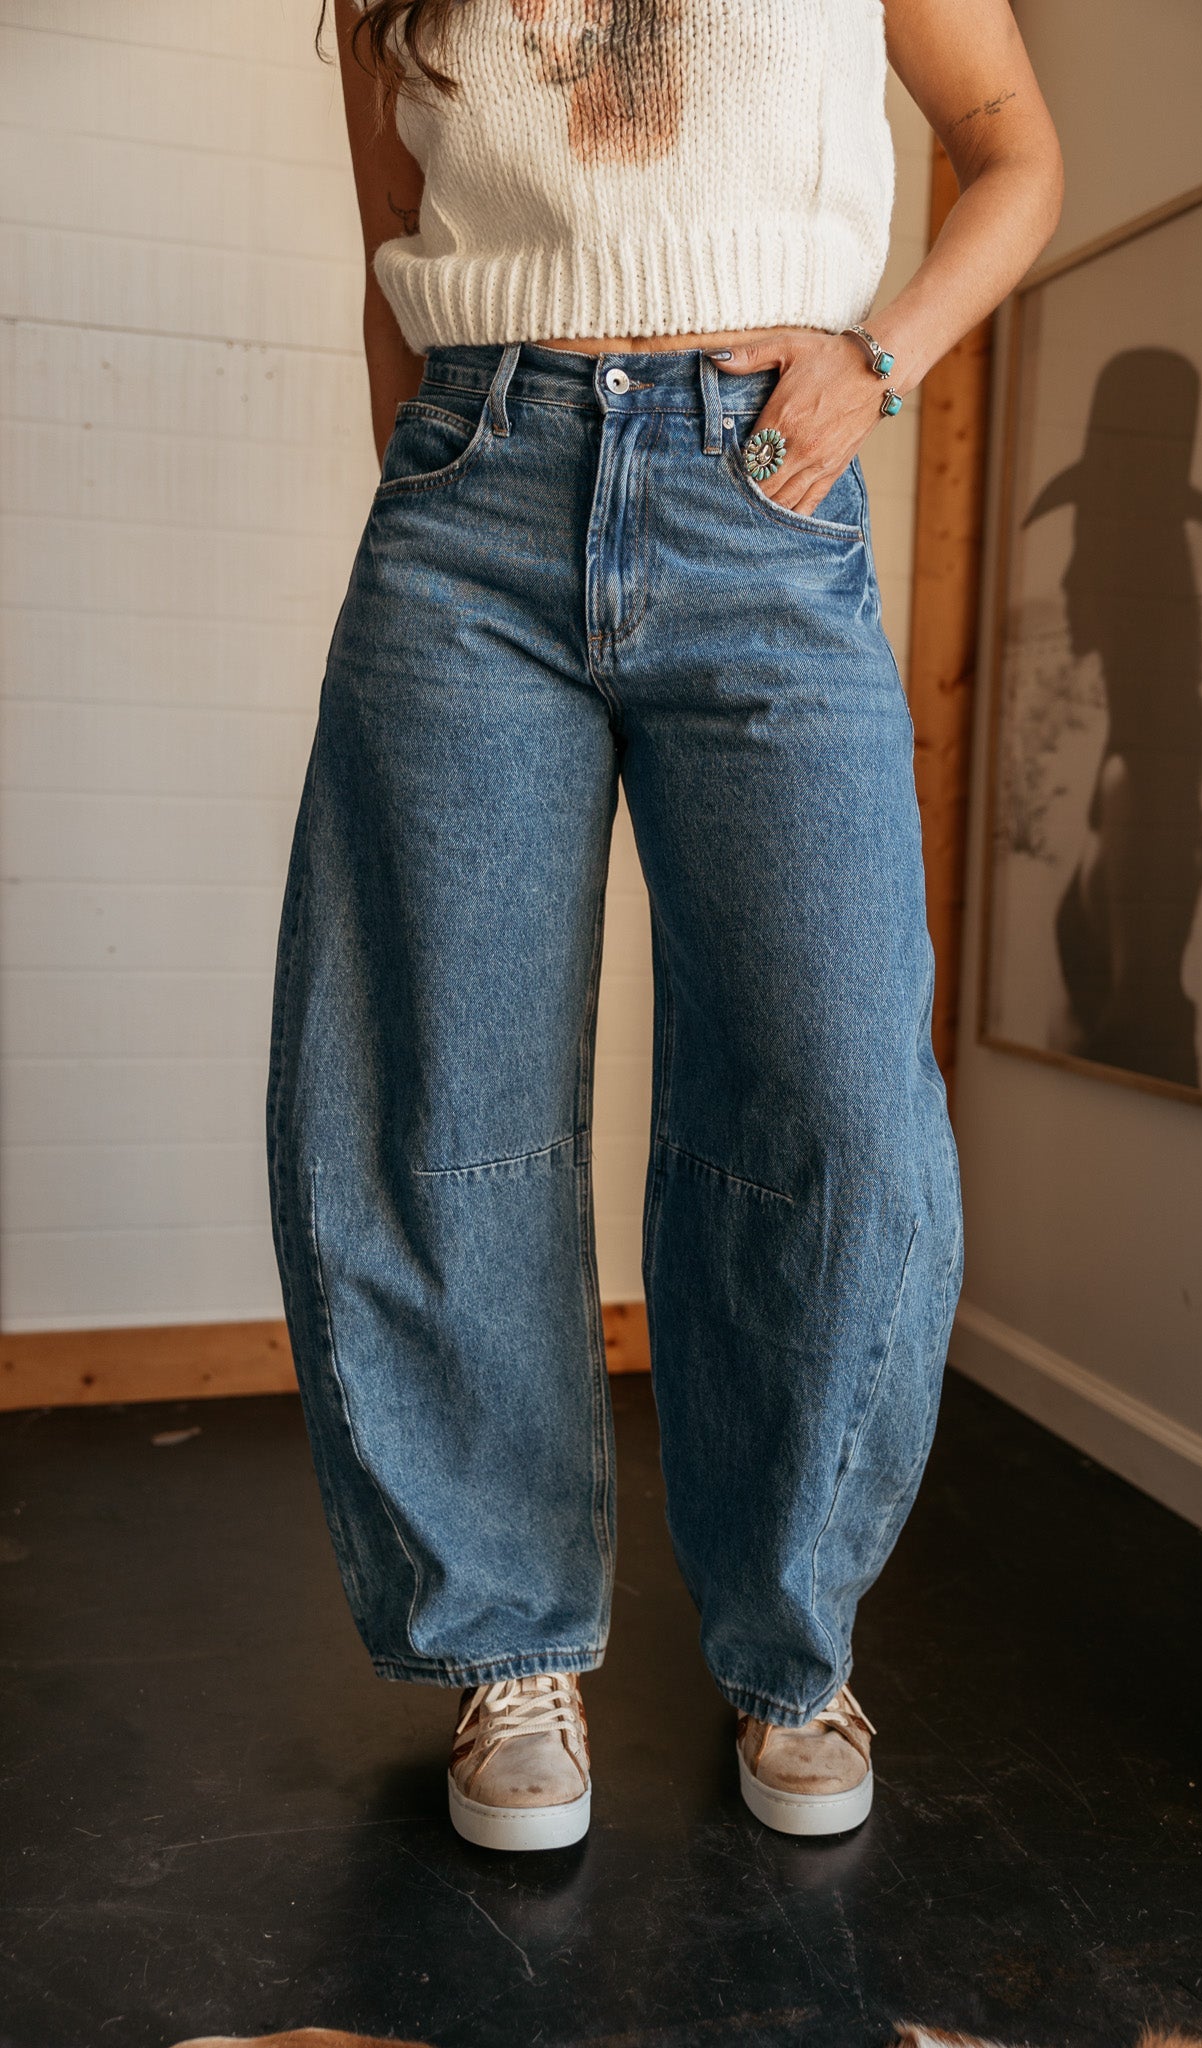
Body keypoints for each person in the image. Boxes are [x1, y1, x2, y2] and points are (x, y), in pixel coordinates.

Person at [268, 0, 1063, 1853]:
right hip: (471, 498)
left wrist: (884, 351)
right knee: (434, 1095)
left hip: (764, 485)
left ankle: (793, 1648)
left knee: (840, 1100)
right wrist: (430, 481)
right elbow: (391, 268)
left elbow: (1019, 151)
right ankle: (508, 1643)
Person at [1023, 348, 1202, 1089]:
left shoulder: (1141, 784)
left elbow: (1137, 1032)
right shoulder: (1135, 765)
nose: (1063, 576)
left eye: (1086, 541)